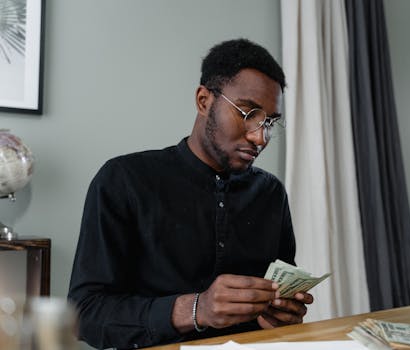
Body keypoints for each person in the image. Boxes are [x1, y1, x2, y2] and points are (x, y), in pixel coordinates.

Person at [68, 38, 314, 349]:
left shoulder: (271, 193)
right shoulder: (123, 181)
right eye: (248, 114)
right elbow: (84, 314)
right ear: (203, 101)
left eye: (269, 123)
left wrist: (282, 313)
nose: (259, 137)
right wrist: (196, 309)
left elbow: (280, 304)